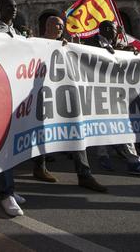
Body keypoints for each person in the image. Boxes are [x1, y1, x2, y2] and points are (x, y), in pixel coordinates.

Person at [34, 15, 108, 193]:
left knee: (76, 130)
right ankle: (39, 167)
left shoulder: (65, 45)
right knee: (40, 132)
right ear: (47, 26)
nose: (61, 28)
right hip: (43, 95)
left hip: (64, 94)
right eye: (57, 25)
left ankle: (84, 174)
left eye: (62, 26)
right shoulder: (35, 43)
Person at [83, 21, 140, 176]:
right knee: (104, 124)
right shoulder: (90, 43)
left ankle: (131, 160)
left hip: (118, 92)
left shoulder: (119, 44)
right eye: (113, 29)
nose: (116, 31)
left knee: (121, 125)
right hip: (98, 91)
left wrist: (130, 54)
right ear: (104, 29)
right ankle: (107, 156)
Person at [0, 0, 26, 216]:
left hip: (16, 92)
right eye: (9, 6)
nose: (14, 9)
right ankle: (5, 192)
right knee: (3, 143)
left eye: (15, 6)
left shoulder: (19, 34)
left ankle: (6, 186)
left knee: (10, 144)